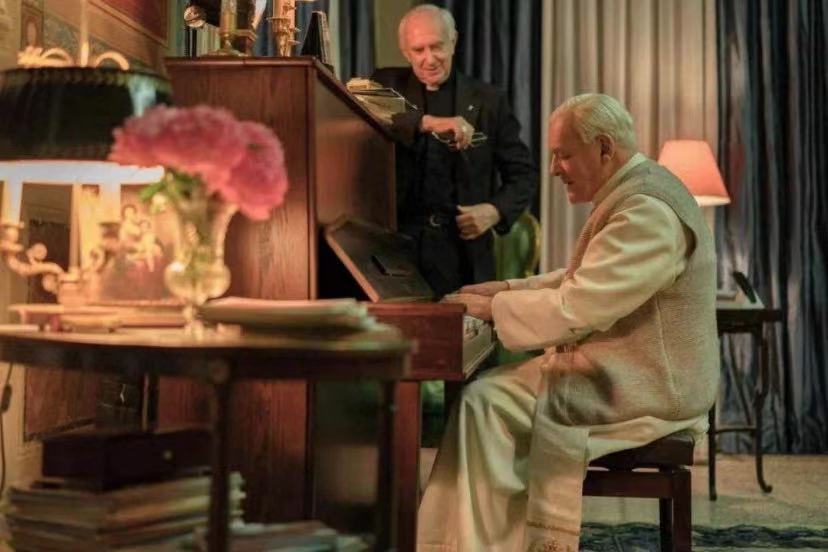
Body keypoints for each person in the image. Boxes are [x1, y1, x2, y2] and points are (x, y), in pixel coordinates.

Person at [419, 93, 720, 551]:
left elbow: (581, 305)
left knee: (484, 402)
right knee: (487, 397)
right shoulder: (634, 192)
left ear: (604, 148)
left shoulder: (646, 211)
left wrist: (493, 310)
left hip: (653, 387)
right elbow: (585, 276)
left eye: (563, 155)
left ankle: (473, 543)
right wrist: (506, 289)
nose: (554, 168)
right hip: (633, 370)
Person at [371, 4, 537, 296]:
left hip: (463, 255)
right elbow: (359, 100)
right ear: (405, 52)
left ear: (453, 42)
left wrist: (494, 211)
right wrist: (427, 122)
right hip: (397, 251)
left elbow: (524, 175)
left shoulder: (489, 100)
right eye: (418, 50)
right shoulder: (385, 85)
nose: (429, 59)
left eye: (437, 47)